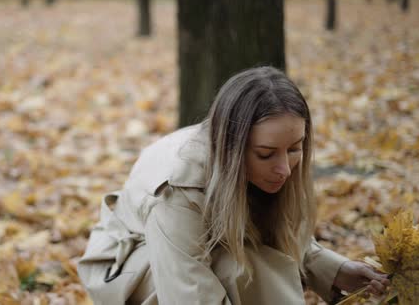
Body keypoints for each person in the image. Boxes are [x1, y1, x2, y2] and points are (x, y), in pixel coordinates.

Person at [77, 67, 390, 304]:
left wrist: (333, 269)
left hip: (196, 244)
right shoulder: (178, 189)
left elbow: (270, 225)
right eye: (266, 154)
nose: (283, 169)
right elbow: (189, 294)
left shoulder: (255, 165)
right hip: (128, 264)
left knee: (248, 262)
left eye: (294, 149)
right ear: (232, 145)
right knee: (241, 268)